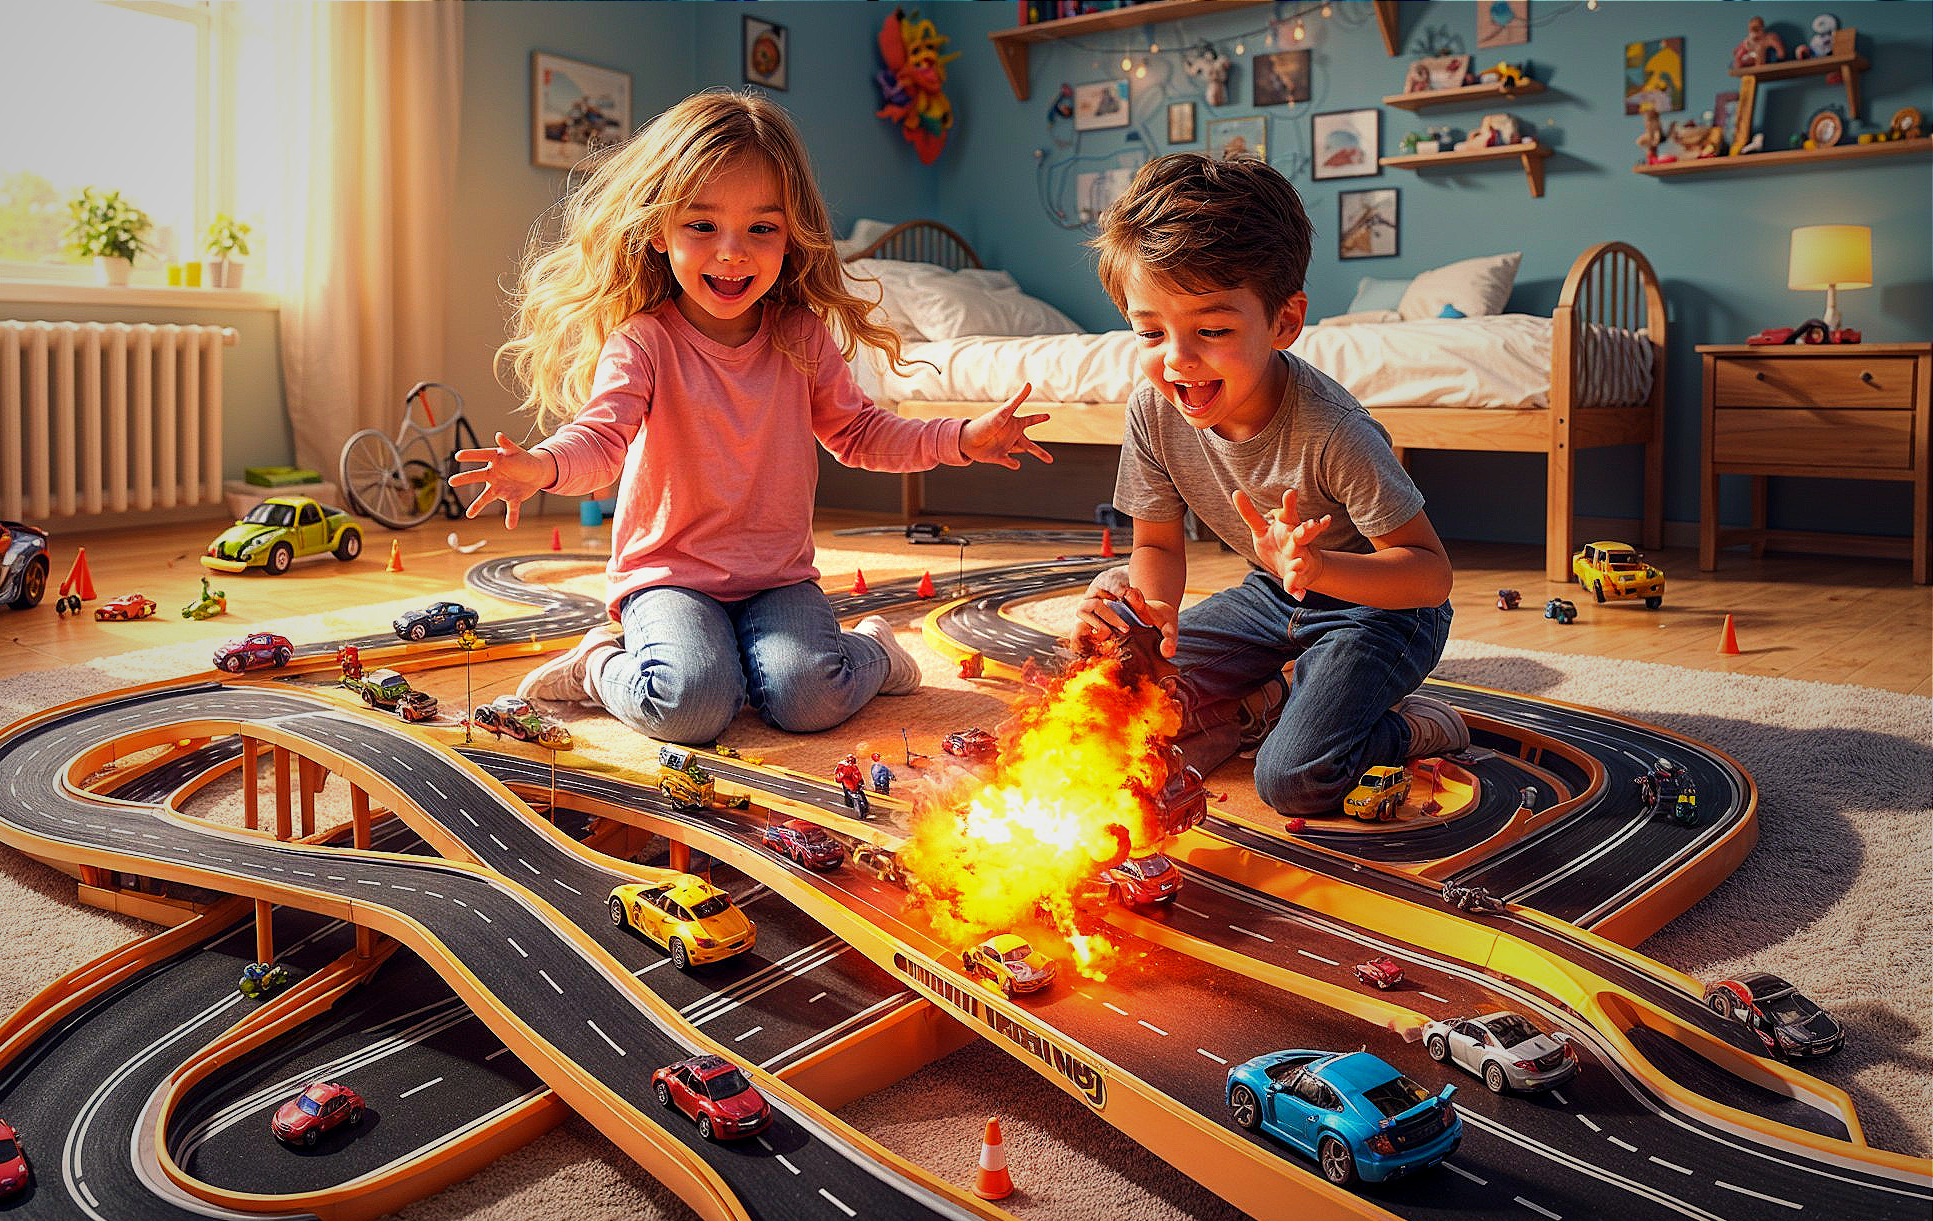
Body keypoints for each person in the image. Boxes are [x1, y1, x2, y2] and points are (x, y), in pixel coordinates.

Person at [453, 91, 1049, 745]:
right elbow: (602, 438)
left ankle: (878, 651)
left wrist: (961, 438)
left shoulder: (800, 334)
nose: (733, 253)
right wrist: (540, 464)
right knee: (691, 707)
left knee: (809, 699)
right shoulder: (645, 341)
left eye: (761, 228)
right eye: (703, 226)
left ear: (790, 235)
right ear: (659, 230)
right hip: (671, 577)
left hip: (778, 578)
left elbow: (861, 432)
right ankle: (598, 665)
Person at [1067, 154, 1463, 818]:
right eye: (1150, 332)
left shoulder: (1335, 431)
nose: (1178, 358)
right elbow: (1158, 549)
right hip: (1270, 594)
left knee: (1294, 779)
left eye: (1212, 330)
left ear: (1283, 322)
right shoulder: (1153, 410)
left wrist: (1319, 565)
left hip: (1382, 610)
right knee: (1120, 698)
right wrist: (1148, 613)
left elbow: (1430, 577)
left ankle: (1413, 727)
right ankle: (1273, 697)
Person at [835, 754, 870, 819]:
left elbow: (858, 775)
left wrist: (861, 782)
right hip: (848, 784)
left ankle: (864, 808)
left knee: (860, 795)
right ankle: (853, 806)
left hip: (854, 784)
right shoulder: (843, 767)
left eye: (852, 761)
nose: (851, 763)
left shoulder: (854, 767)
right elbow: (838, 778)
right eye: (850, 761)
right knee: (851, 795)